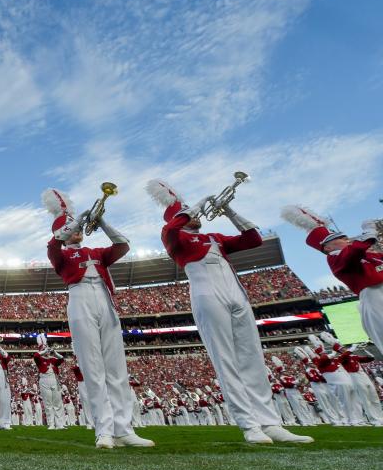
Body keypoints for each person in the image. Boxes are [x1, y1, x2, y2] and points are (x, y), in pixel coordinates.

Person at [147, 179, 312, 445]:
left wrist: (230, 212)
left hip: (236, 293)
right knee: (226, 359)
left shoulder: (215, 238)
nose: (197, 215)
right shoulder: (173, 236)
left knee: (253, 358)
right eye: (190, 212)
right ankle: (249, 425)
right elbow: (171, 227)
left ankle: (270, 422)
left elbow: (253, 239)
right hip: (208, 293)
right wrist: (195, 205)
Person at [44, 187, 152, 448]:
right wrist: (72, 223)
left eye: (79, 228)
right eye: (72, 228)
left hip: (105, 299)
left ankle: (124, 429)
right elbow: (53, 245)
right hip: (80, 298)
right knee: (92, 368)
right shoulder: (61, 253)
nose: (78, 231)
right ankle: (104, 430)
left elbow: (123, 244)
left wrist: (100, 221)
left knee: (116, 368)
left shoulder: (97, 252)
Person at [282, 207, 383, 353]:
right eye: (340, 238)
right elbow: (354, 252)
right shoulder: (335, 257)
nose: (346, 239)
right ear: (328, 247)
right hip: (375, 297)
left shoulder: (370, 255)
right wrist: (369, 233)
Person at [32, 335, 65, 430]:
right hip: (44, 380)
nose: (47, 351)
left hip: (54, 380)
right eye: (44, 349)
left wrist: (54, 352)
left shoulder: (53, 360)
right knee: (48, 404)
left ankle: (59, 424)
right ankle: (51, 424)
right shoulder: (39, 359)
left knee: (57, 403)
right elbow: (36, 355)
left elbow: (62, 358)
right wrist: (44, 351)